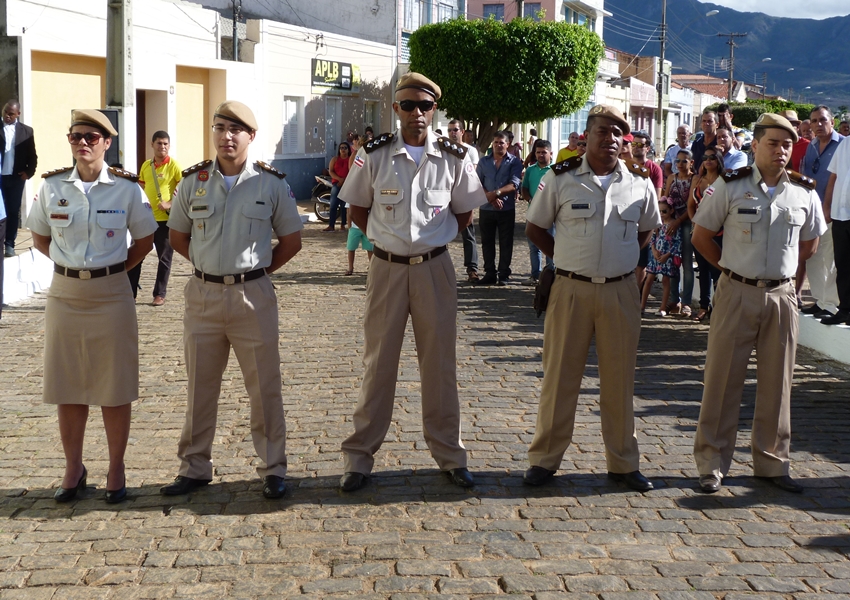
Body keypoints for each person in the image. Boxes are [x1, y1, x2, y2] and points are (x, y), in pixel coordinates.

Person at [337, 72, 486, 492]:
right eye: (407, 105)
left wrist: (429, 246)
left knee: (439, 365)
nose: (416, 113)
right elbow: (358, 210)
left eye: (424, 105)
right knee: (377, 364)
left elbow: (464, 214)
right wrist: (385, 246)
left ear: (434, 109)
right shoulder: (375, 154)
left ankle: (450, 454)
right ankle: (359, 457)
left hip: (434, 269)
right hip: (385, 269)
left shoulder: (455, 158)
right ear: (395, 109)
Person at [162, 101, 303, 500]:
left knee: (264, 387)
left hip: (252, 297)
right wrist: (211, 268)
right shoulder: (193, 182)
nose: (226, 136)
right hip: (203, 296)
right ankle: (194, 467)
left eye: (235, 130)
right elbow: (178, 238)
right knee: (199, 387)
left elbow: (291, 241)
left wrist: (252, 273)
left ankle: (274, 468)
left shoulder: (270, 184)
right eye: (220, 127)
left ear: (250, 137)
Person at [522, 104, 661, 491]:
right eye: (603, 131)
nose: (611, 139)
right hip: (571, 289)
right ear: (587, 135)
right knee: (560, 377)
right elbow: (535, 227)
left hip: (619, 291)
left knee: (620, 380)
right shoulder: (560, 177)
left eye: (618, 133)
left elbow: (646, 230)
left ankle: (623, 462)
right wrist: (563, 256)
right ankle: (545, 460)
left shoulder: (639, 182)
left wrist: (623, 258)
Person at [26, 109, 157, 503]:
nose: (82, 143)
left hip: (112, 294)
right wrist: (74, 269)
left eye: (91, 137)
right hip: (66, 296)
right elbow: (40, 238)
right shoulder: (51, 188)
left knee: (114, 386)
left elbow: (145, 241)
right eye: (76, 136)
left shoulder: (127, 189)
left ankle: (116, 468)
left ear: (107, 142)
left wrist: (112, 271)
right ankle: (73, 467)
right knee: (68, 385)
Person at [691, 113, 825, 494]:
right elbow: (701, 237)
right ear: (754, 145)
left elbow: (810, 243)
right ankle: (712, 464)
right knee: (721, 380)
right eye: (773, 143)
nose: (781, 151)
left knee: (778, 383)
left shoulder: (804, 192)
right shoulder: (729, 187)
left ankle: (772, 463)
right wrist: (728, 271)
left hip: (782, 296)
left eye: (787, 144)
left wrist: (791, 283)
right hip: (736, 291)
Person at [799, 105, 843, 319]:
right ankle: (819, 299)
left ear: (832, 122)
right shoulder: (812, 146)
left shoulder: (843, 145)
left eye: (822, 120)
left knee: (830, 258)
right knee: (813, 256)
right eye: (814, 121)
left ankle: (830, 303)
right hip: (811, 210)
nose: (818, 124)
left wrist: (829, 207)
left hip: (834, 211)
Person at [128, 130, 182, 306]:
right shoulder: (146, 166)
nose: (163, 147)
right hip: (145, 218)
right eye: (159, 143)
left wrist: (170, 203)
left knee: (164, 258)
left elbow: (184, 189)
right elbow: (141, 188)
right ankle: (131, 292)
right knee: (136, 255)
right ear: (152, 145)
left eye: (166, 143)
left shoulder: (173, 165)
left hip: (165, 219)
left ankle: (160, 294)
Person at [475, 131, 522, 285]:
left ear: (507, 144)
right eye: (495, 142)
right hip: (487, 208)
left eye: (501, 142)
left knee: (505, 242)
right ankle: (489, 272)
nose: (498, 145)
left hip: (506, 209)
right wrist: (490, 197)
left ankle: (503, 274)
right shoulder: (484, 162)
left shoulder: (514, 162)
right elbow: (477, 183)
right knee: (487, 242)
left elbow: (514, 184)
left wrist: (496, 194)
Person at [688, 148, 725, 322]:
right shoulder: (697, 179)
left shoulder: (724, 180)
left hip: (719, 232)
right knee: (702, 270)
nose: (708, 160)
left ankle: (719, 306)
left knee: (718, 270)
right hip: (699, 232)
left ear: (718, 160)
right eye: (705, 157)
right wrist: (694, 222)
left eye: (712, 157)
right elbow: (690, 205)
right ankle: (704, 306)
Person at [1, 100, 38, 257]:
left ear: (18, 114)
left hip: (16, 178)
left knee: (12, 210)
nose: (7, 116)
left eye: (11, 114)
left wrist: (28, 173)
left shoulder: (26, 132)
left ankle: (9, 244)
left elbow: (32, 155)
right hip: (0, 178)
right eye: (5, 112)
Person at [448, 119, 481, 282]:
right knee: (441, 233)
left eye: (455, 130)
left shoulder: (470, 151)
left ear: (462, 132)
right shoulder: (443, 149)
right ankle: (442, 267)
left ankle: (472, 269)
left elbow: (470, 176)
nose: (452, 133)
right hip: (445, 197)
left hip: (463, 195)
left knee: (468, 234)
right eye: (450, 130)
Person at [664, 148, 695, 317]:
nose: (680, 164)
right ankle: (674, 300)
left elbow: (691, 204)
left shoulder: (694, 179)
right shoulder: (671, 178)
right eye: (678, 161)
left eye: (684, 161)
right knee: (673, 262)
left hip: (687, 222)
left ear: (691, 162)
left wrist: (678, 221)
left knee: (687, 264)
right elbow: (665, 199)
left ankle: (687, 302)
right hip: (672, 223)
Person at [824, 131, 850, 324]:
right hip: (840, 215)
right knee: (842, 265)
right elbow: (834, 176)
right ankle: (845, 310)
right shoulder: (846, 143)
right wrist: (827, 205)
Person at [520, 139, 554, 285]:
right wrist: (530, 200)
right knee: (534, 246)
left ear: (550, 154)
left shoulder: (556, 171)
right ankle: (535, 275)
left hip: (551, 214)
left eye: (544, 152)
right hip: (532, 213)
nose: (541, 155)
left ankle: (552, 275)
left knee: (550, 245)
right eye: (538, 152)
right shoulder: (530, 170)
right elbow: (524, 189)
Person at [641, 197, 681, 317]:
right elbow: (652, 238)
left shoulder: (674, 226)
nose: (662, 214)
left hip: (667, 257)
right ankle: (641, 306)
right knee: (648, 280)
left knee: (665, 280)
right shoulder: (658, 224)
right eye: (659, 211)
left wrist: (668, 255)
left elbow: (678, 242)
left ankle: (663, 307)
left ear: (671, 211)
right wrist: (653, 250)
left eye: (664, 211)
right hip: (656, 256)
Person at [322, 142, 351, 232]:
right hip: (336, 184)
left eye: (345, 148)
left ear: (348, 149)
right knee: (333, 204)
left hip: (347, 184)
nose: (343, 149)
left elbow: (353, 171)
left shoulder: (350, 159)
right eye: (341, 147)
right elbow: (331, 171)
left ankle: (343, 224)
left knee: (344, 206)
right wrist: (339, 179)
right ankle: (331, 225)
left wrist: (344, 181)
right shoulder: (335, 159)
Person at [344, 201, 373, 275]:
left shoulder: (368, 197)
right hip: (354, 227)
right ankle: (350, 267)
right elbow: (348, 211)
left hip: (367, 226)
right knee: (351, 247)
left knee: (370, 248)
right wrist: (350, 226)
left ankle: (372, 267)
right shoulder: (351, 197)